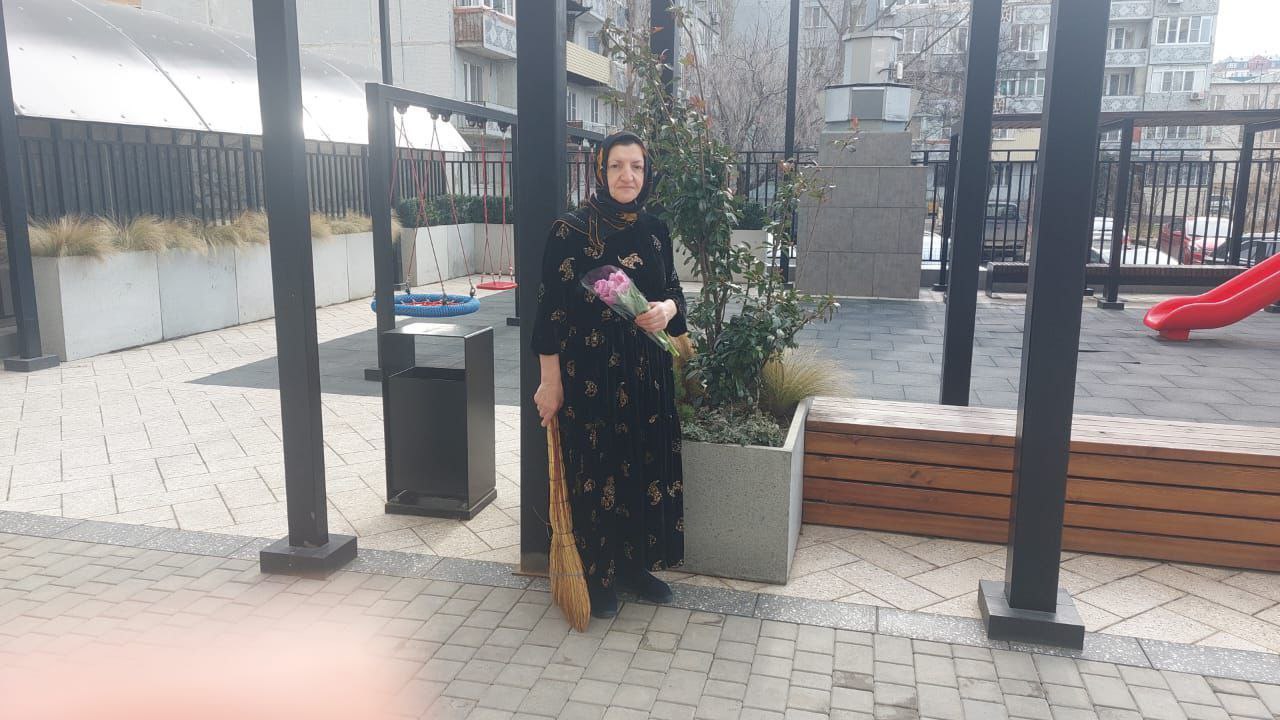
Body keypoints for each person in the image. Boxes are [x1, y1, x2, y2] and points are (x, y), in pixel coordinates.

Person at [531, 131, 687, 619]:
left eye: (636, 166)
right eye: (617, 166)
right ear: (600, 171)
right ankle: (596, 575)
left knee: (643, 467)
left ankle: (634, 567)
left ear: (647, 172)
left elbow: (675, 291)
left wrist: (665, 310)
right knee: (598, 471)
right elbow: (549, 313)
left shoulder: (655, 229)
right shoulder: (571, 231)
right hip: (593, 375)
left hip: (647, 374)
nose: (627, 176)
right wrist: (550, 382)